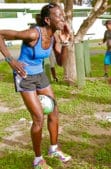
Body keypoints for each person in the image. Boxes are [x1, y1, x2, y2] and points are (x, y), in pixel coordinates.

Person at [0, 3, 71, 168]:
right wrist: (11, 60)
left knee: (54, 111)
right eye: (58, 16)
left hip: (40, 75)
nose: (63, 19)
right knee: (38, 117)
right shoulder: (33, 34)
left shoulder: (54, 36)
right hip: (25, 76)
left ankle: (53, 148)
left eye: (63, 16)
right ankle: (38, 159)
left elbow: (60, 63)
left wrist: (66, 43)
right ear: (47, 20)